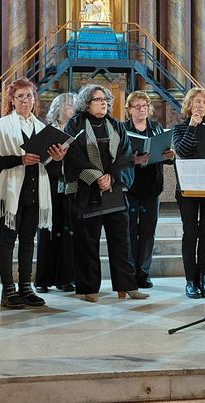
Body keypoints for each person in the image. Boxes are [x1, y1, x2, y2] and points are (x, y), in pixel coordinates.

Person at [0, 79, 66, 309]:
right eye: (20, 96)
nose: (26, 100)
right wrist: (18, 160)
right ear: (11, 99)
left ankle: (25, 287)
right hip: (11, 191)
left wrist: (57, 159)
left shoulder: (41, 128)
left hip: (34, 190)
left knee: (29, 240)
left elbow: (49, 167)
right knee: (8, 238)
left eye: (29, 96)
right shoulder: (1, 125)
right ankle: (8, 289)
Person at [64, 84, 148, 302]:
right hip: (86, 190)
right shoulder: (75, 125)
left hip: (113, 190)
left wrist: (111, 176)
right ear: (86, 103)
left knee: (121, 241)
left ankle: (127, 286)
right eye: (98, 99)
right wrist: (95, 177)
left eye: (105, 100)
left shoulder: (115, 125)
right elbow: (73, 155)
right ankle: (89, 288)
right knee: (87, 241)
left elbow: (126, 155)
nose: (104, 103)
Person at [172, 87, 205, 299]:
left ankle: (202, 277)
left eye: (204, 102)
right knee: (190, 233)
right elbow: (182, 152)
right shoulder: (179, 129)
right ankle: (190, 281)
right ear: (189, 105)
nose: (200, 105)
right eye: (196, 101)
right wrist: (192, 126)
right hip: (188, 186)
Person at [124, 91, 174, 289]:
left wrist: (169, 155)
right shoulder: (122, 129)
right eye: (137, 106)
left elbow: (163, 153)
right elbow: (115, 158)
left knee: (147, 231)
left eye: (145, 105)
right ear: (129, 110)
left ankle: (143, 273)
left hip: (152, 187)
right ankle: (129, 273)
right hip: (130, 186)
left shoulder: (156, 128)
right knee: (129, 231)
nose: (142, 109)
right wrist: (132, 160)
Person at [34, 92, 77, 294]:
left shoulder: (76, 132)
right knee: (47, 231)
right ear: (59, 109)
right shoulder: (48, 131)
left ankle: (66, 278)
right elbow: (41, 160)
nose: (73, 111)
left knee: (68, 233)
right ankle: (43, 279)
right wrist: (57, 160)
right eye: (70, 106)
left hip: (70, 188)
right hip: (49, 185)